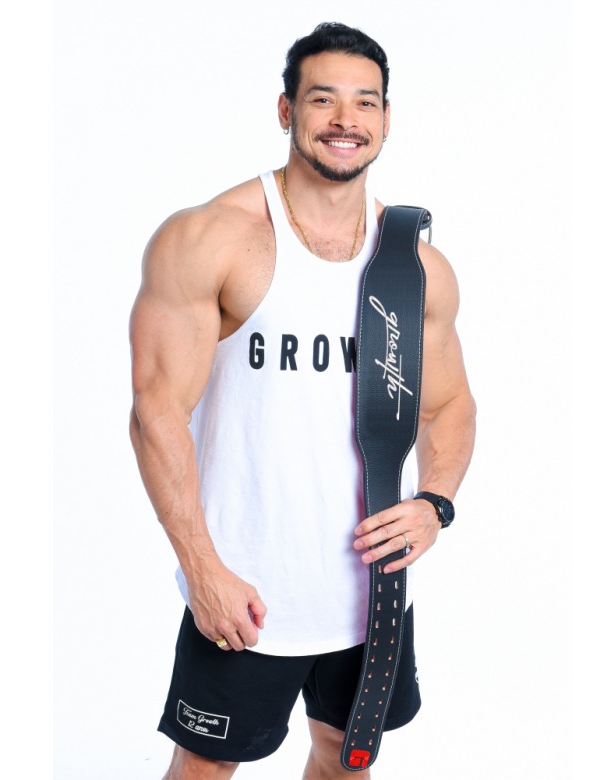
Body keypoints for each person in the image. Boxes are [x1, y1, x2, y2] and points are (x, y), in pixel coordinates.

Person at [129, 21, 476, 780]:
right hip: (244, 592)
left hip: (372, 594)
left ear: (386, 118)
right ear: (287, 110)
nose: (346, 119)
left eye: (366, 102)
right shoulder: (212, 239)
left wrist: (434, 504)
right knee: (203, 770)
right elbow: (156, 413)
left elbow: (448, 404)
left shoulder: (414, 266)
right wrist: (202, 568)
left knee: (344, 763)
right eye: (324, 99)